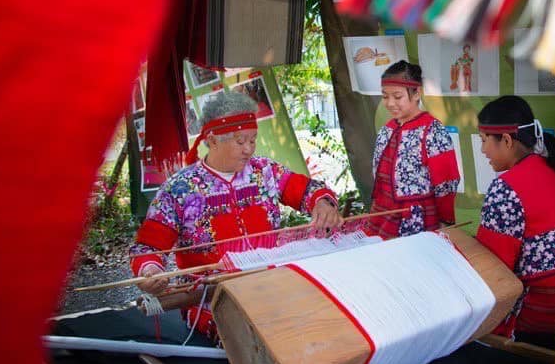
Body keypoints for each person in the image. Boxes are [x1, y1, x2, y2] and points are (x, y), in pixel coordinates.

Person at [130, 90, 343, 338]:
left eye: (253, 140)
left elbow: (308, 191)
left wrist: (323, 203)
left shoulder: (264, 171)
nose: (249, 149)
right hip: (213, 302)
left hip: (273, 285)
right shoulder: (180, 189)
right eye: (240, 141)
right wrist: (151, 271)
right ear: (212, 140)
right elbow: (147, 248)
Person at [475, 96, 555, 347]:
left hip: (541, 315)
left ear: (505, 140)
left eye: (484, 141)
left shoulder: (506, 189)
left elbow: (494, 270)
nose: (483, 151)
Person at [370, 60, 461, 238]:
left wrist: (446, 220)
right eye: (385, 96)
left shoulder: (432, 131)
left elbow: (446, 183)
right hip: (383, 212)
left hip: (415, 219)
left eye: (397, 97)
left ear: (417, 93)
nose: (389, 103)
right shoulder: (387, 129)